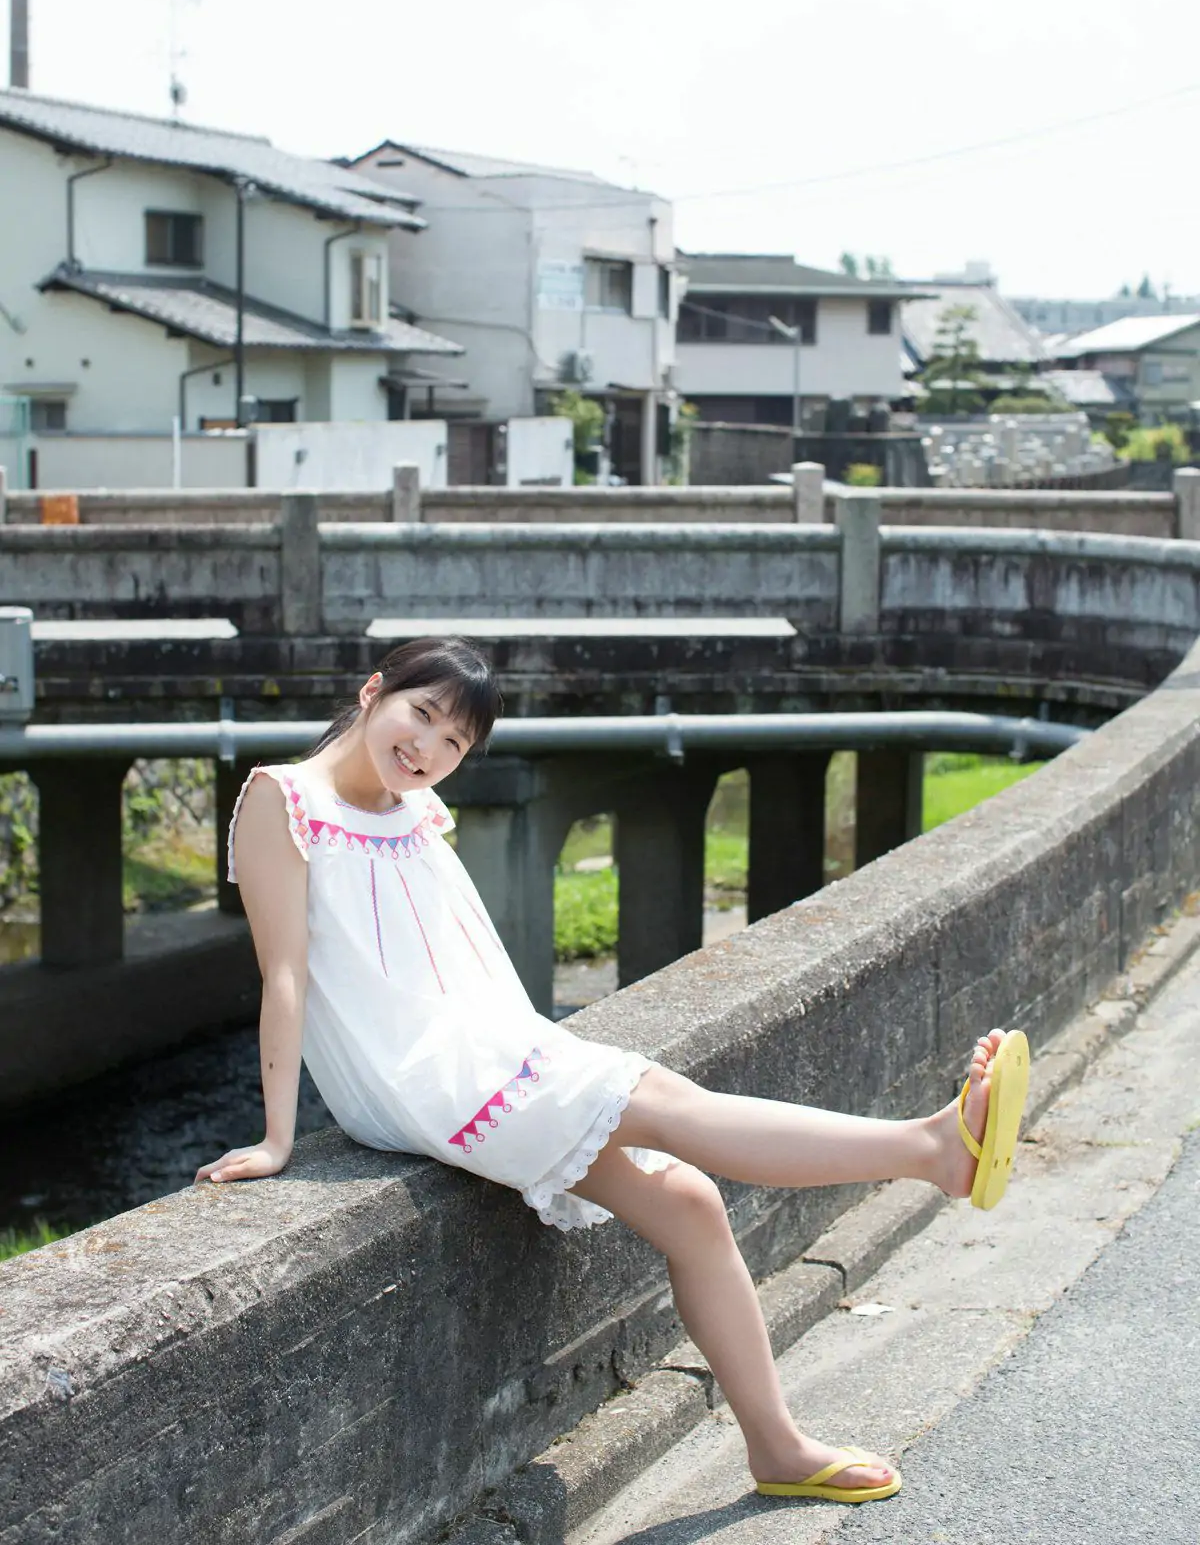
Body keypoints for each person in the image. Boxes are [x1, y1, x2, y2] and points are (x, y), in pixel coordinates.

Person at [195, 636, 1029, 1507]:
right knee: (664, 1101)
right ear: (375, 691)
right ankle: (934, 1149)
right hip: (415, 1076)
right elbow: (284, 975)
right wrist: (278, 1139)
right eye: (423, 715)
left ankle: (776, 1447)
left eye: (454, 746)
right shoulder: (281, 801)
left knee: (689, 1201)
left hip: (483, 1049)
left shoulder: (414, 806)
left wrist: (538, 1051)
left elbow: (461, 958)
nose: (428, 751)